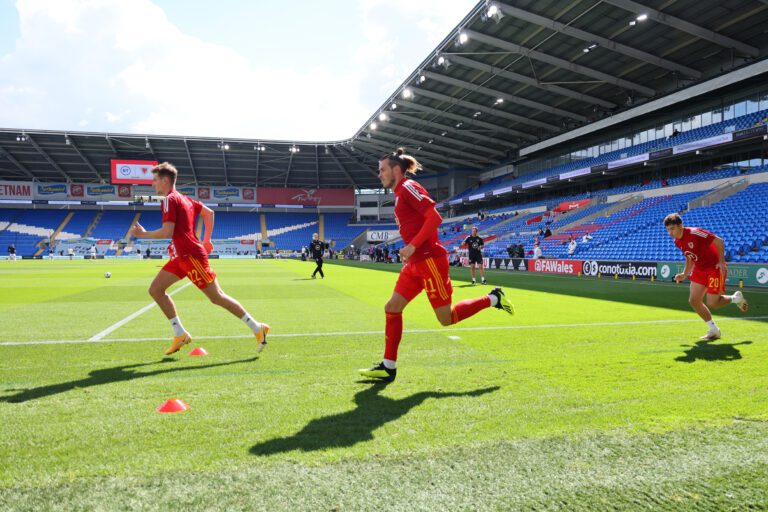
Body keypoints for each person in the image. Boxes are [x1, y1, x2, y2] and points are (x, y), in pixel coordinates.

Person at [359, 148, 514, 382]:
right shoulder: (400, 192)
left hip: (430, 261)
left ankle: (494, 298)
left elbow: (435, 217)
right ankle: (389, 366)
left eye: (382, 170)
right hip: (414, 263)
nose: (379, 174)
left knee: (446, 318)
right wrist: (411, 250)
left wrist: (412, 246)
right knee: (392, 307)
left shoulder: (409, 187)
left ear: (396, 170)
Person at [131, 162, 269, 355]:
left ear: (165, 180)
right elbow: (209, 213)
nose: (153, 185)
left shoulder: (169, 200)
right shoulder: (185, 199)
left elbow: (167, 231)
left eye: (155, 180)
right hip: (182, 256)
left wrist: (142, 235)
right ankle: (180, 334)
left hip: (191, 256)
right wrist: (207, 240)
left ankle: (257, 328)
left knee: (216, 297)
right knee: (156, 289)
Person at [663, 213, 748, 340]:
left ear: (680, 225)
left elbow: (719, 241)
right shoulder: (677, 242)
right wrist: (685, 274)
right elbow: (689, 257)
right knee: (693, 300)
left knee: (713, 303)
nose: (670, 232)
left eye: (672, 228)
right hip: (699, 269)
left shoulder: (695, 233)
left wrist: (721, 261)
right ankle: (714, 330)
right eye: (668, 229)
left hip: (714, 268)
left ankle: (736, 298)